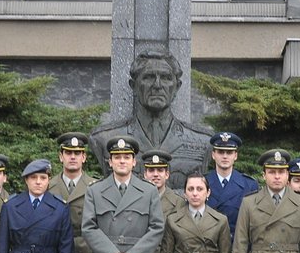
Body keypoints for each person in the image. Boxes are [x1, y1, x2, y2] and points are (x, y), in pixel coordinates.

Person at [89, 50, 211, 189]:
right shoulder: (104, 139)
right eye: (148, 77)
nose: (157, 85)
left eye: (165, 78)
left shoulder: (202, 142)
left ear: (177, 87)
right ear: (133, 86)